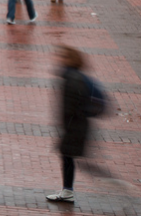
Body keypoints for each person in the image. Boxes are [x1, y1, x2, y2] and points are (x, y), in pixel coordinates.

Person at [46, 46, 109, 202]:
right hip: (75, 125)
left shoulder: (73, 79)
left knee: (69, 157)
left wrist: (69, 124)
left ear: (71, 60)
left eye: (63, 57)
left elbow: (72, 106)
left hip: (75, 126)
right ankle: (68, 190)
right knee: (68, 157)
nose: (59, 59)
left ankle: (69, 191)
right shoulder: (73, 76)